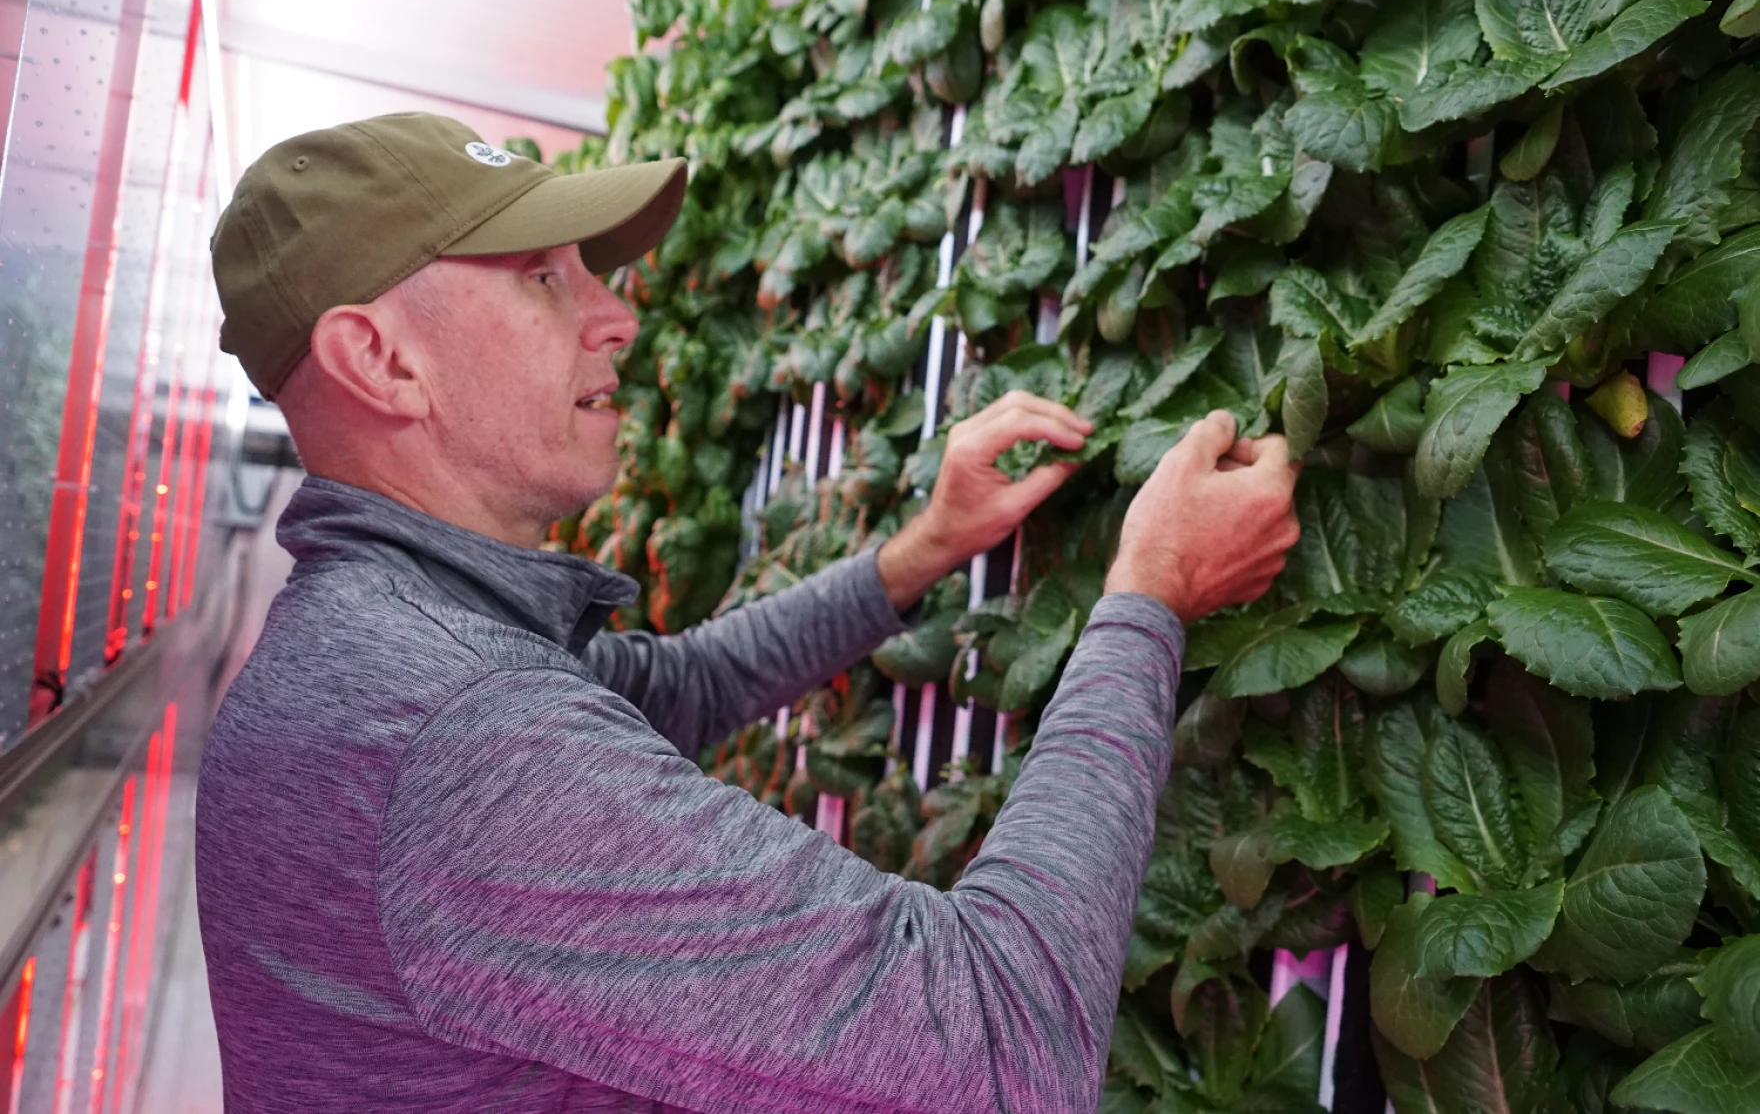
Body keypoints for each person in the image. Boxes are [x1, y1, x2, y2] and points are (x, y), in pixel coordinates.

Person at [197, 112, 1300, 1114]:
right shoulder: (455, 733)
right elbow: (995, 1045)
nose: (617, 317)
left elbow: (679, 685)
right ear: (381, 359)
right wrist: (1148, 593)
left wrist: (922, 550)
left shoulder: (384, 640)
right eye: (542, 280)